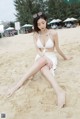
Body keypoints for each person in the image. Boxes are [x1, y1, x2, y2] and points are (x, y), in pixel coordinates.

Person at [7, 12, 71, 108]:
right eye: (38, 24)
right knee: (43, 66)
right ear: (36, 25)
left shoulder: (53, 33)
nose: (41, 25)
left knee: (43, 66)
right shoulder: (35, 34)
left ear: (46, 21)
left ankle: (19, 84)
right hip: (40, 56)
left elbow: (57, 48)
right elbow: (37, 50)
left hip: (51, 56)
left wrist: (65, 57)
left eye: (42, 22)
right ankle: (59, 91)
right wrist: (44, 57)